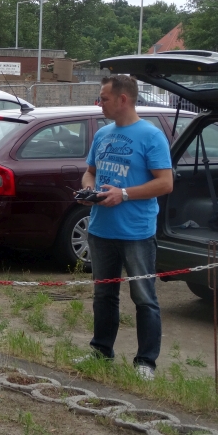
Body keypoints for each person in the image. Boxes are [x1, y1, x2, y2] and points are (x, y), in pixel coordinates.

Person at [79, 75, 173, 381]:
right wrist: (89, 191)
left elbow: (165, 183)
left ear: (123, 99)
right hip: (101, 230)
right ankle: (101, 352)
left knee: (144, 298)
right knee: (103, 296)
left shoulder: (151, 136)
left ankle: (146, 362)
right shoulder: (102, 134)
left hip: (136, 232)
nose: (100, 103)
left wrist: (125, 194)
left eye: (104, 98)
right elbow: (89, 172)